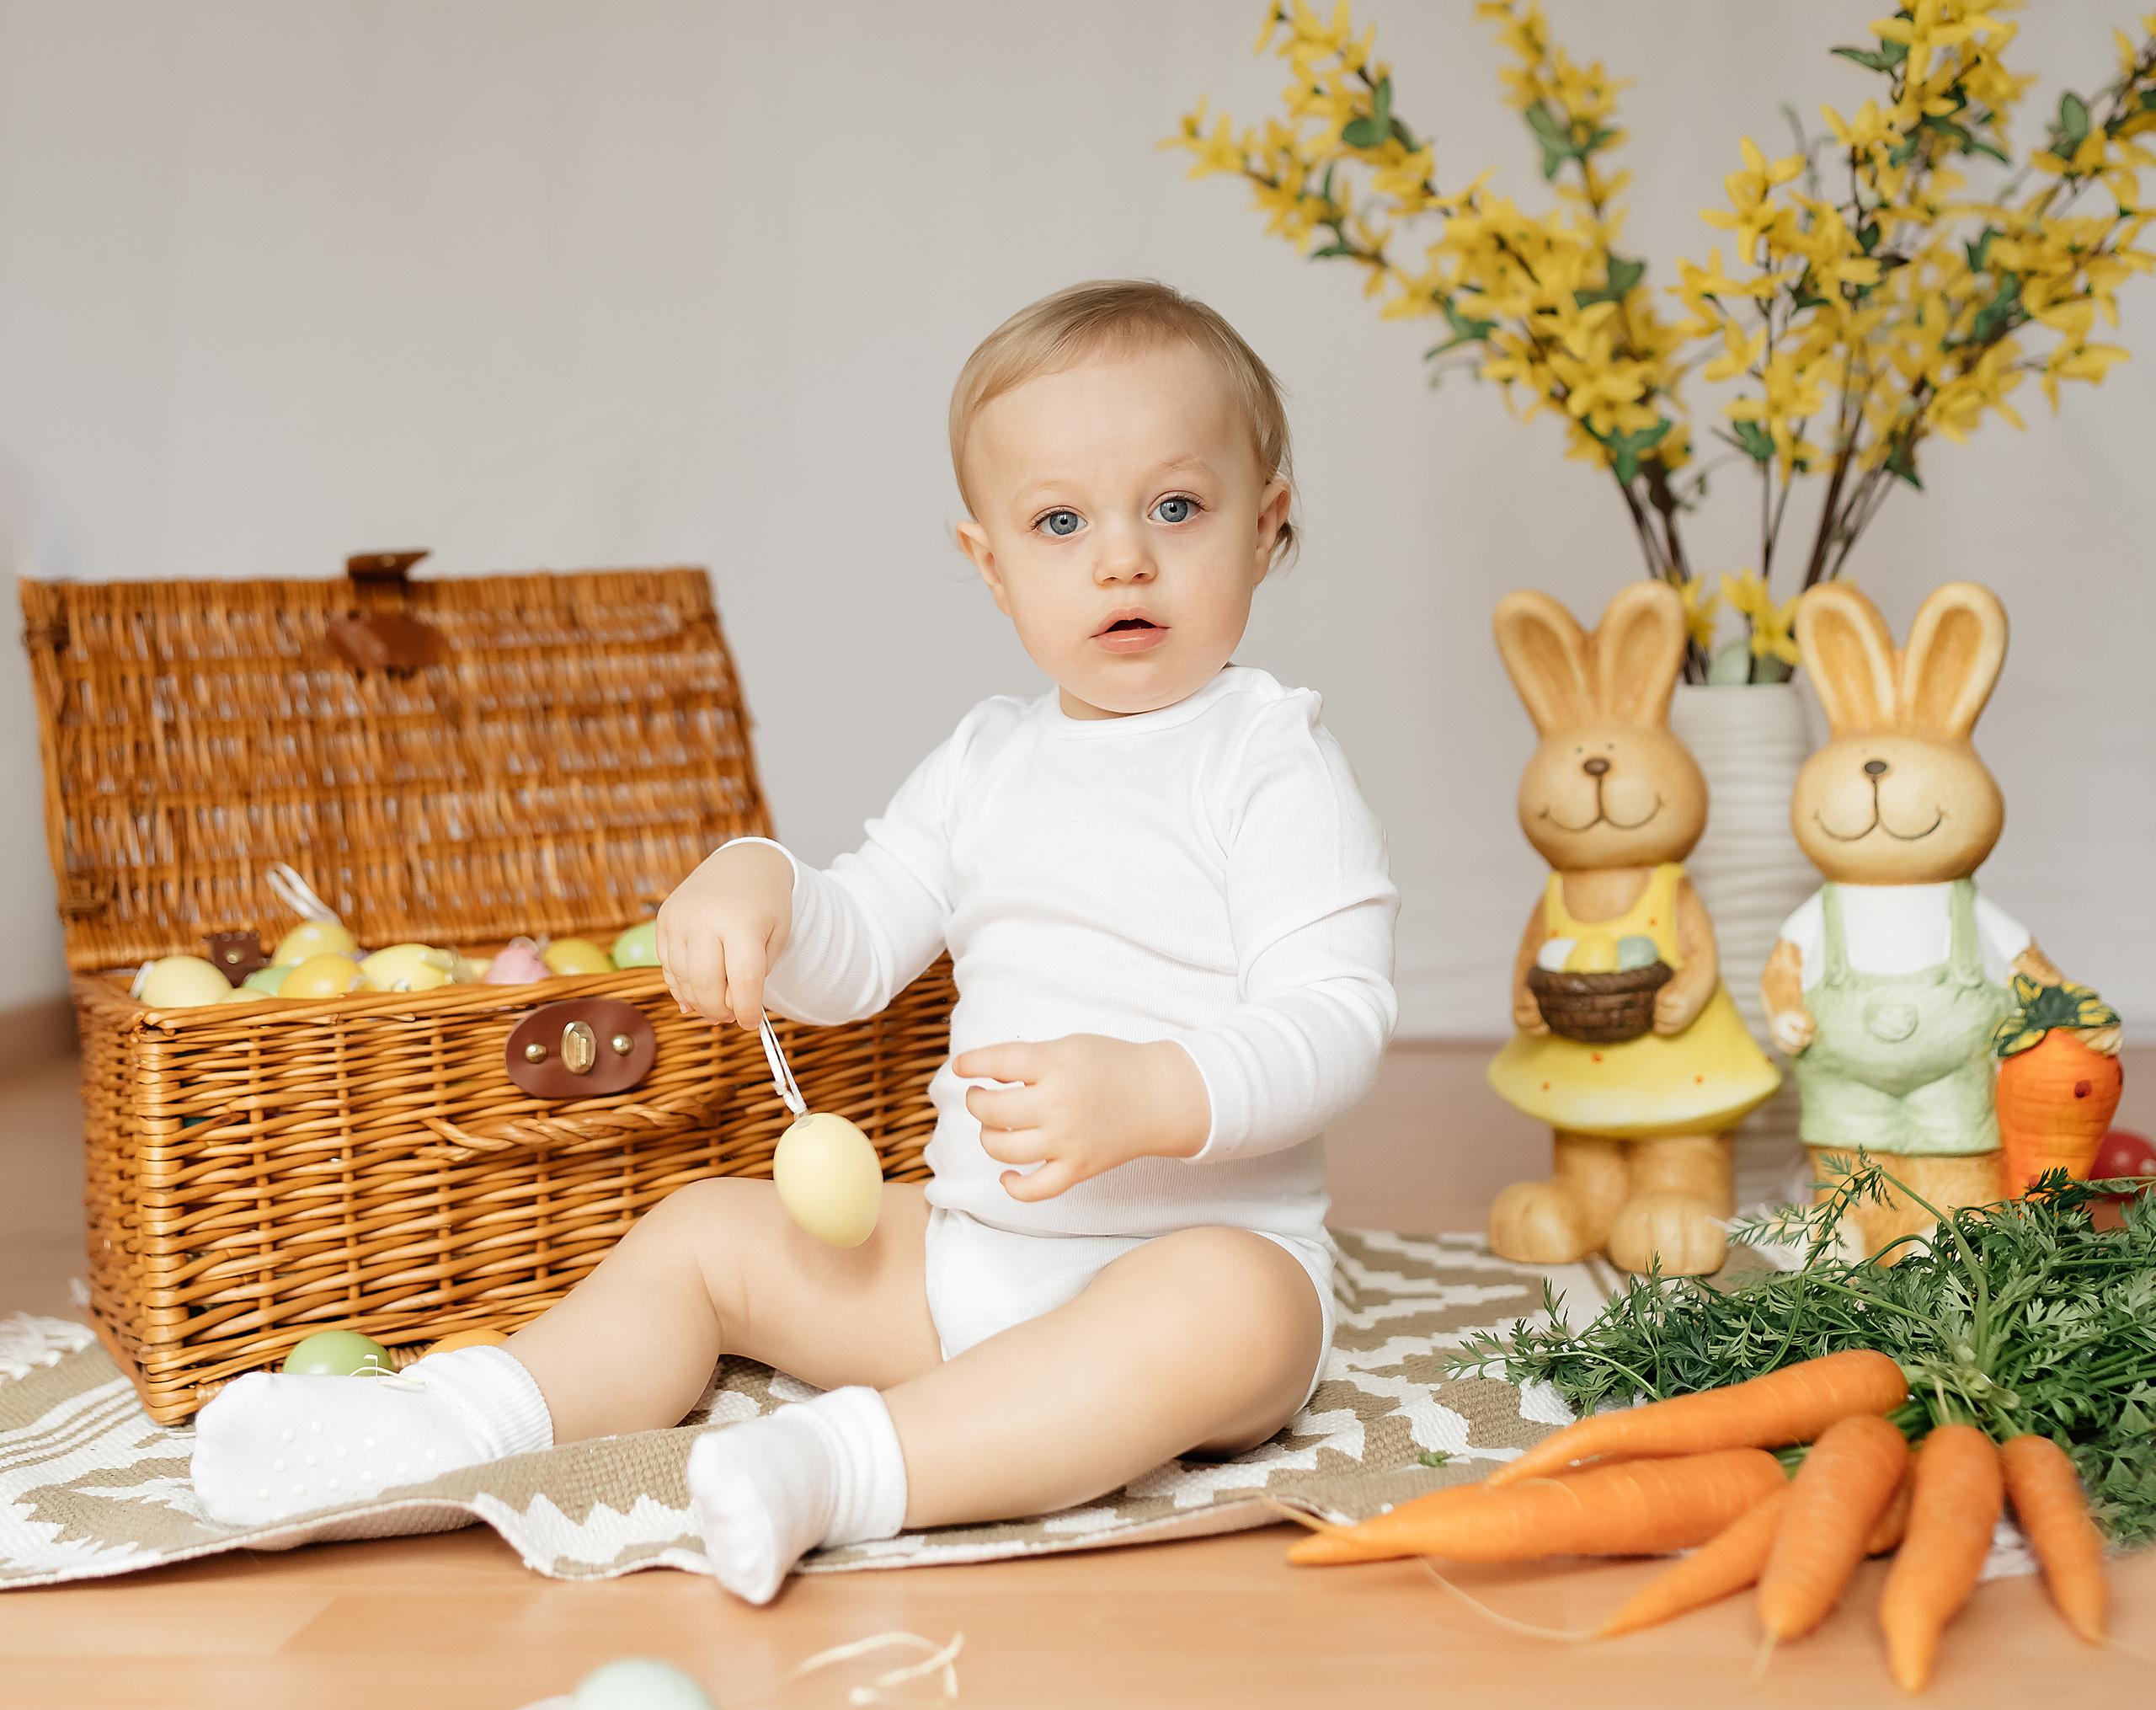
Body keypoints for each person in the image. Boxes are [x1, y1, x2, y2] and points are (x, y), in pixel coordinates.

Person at [191, 279, 1399, 1605]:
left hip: (1195, 1261)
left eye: (1175, 507)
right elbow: (863, 936)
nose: (1122, 558)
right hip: (963, 1261)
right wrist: (761, 883)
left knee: (1235, 1311)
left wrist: (1155, 1090)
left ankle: (839, 1466)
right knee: (707, 1229)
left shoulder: (1269, 757)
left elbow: (1335, 1018)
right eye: (1060, 521)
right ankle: (447, 1424)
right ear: (990, 563)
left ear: (1267, 522)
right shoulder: (987, 762)